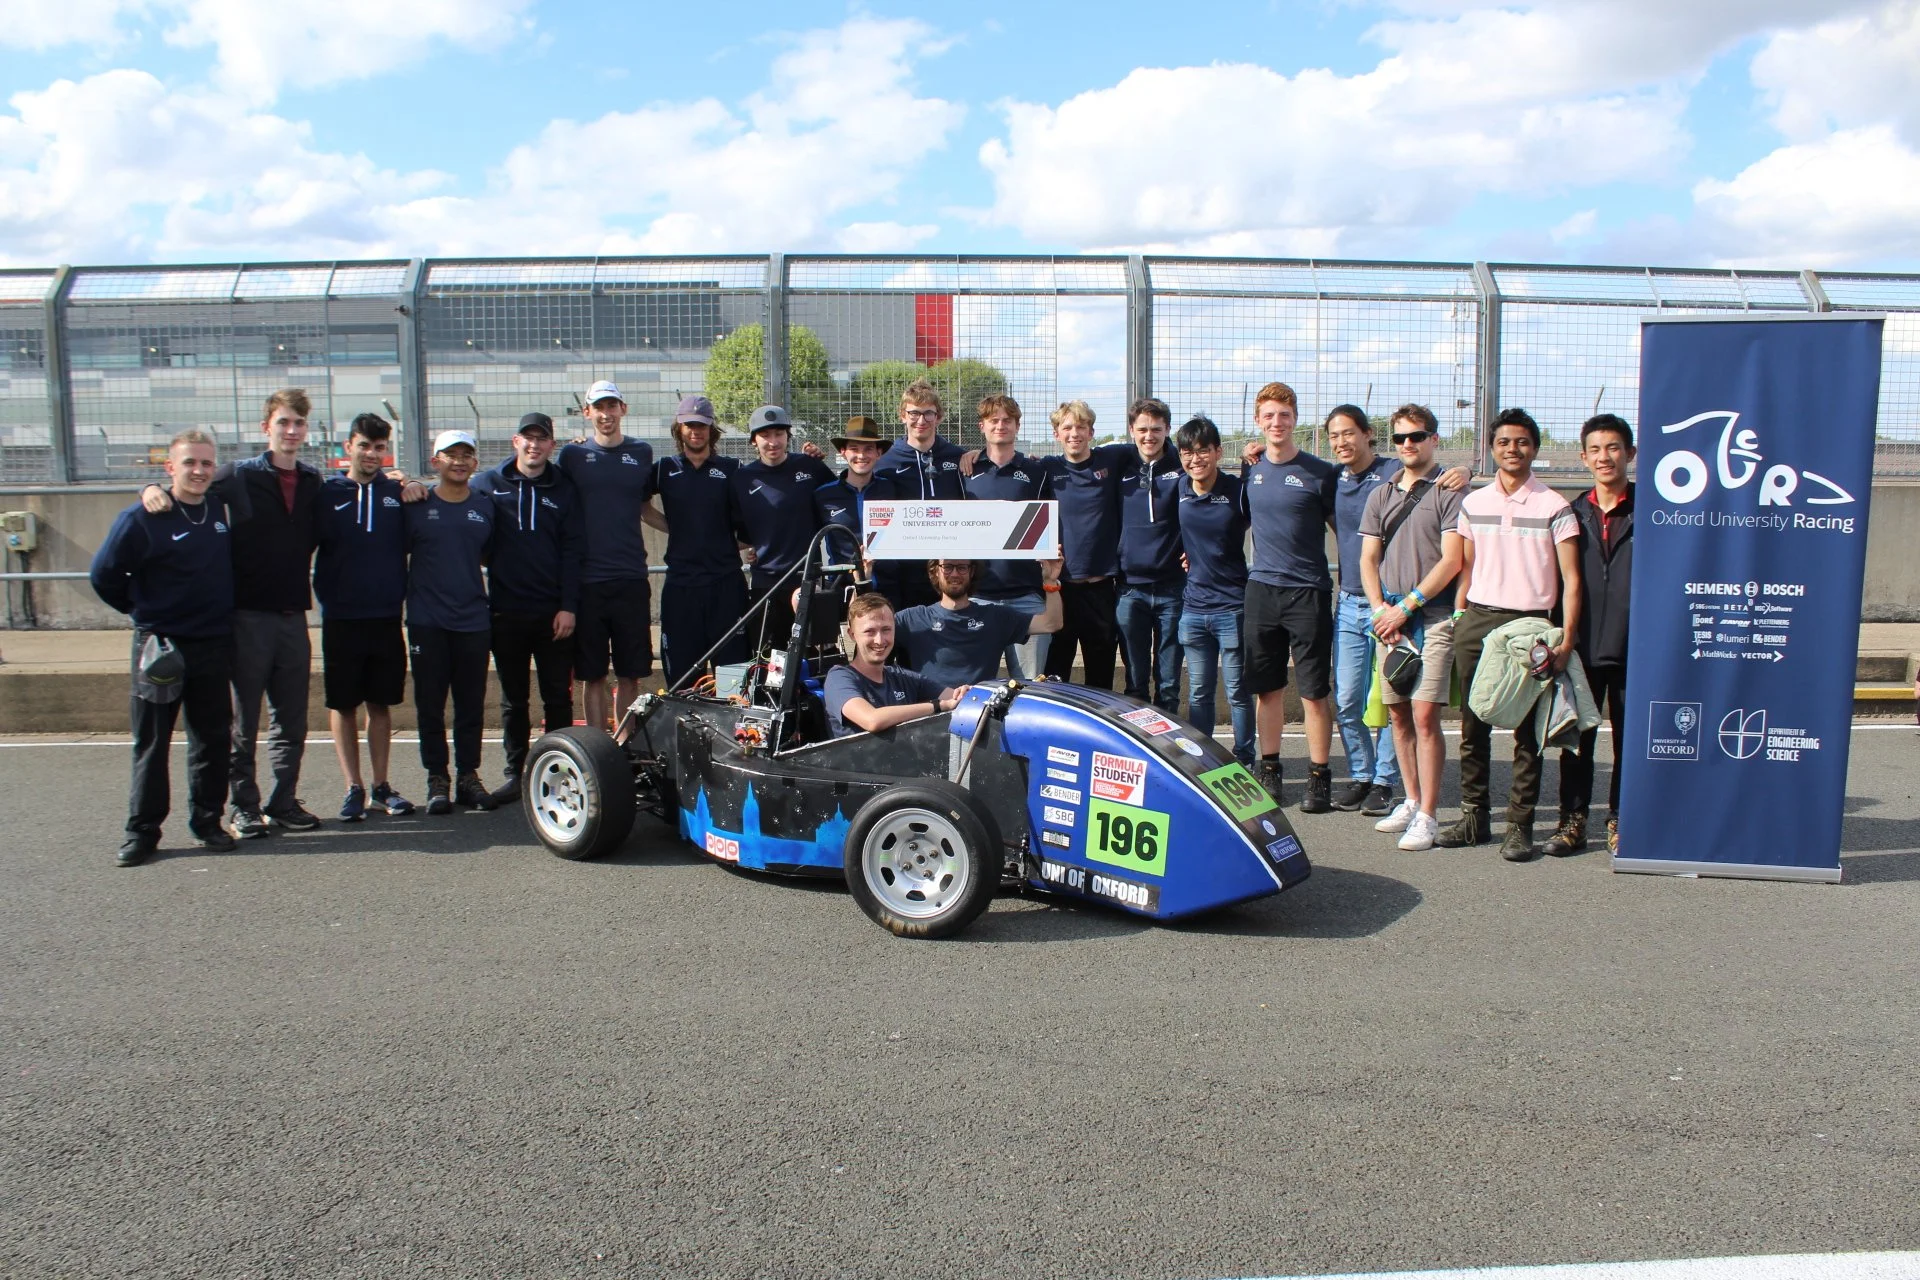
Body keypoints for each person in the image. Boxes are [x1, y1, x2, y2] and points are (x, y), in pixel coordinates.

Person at [141, 390, 326, 837]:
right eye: (283, 422)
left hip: (293, 616)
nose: (291, 431)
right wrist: (149, 489)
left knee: (292, 720)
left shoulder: (312, 480)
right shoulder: (238, 475)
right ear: (267, 427)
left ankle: (283, 801)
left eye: (298, 423)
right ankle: (244, 806)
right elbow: (187, 487)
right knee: (243, 721)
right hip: (247, 617)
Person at [1436, 409, 1582, 860]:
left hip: (1530, 626)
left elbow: (1572, 580)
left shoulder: (1554, 506)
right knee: (1473, 725)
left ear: (1534, 448)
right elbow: (1467, 565)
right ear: (1491, 449)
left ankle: (1520, 826)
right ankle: (1474, 818)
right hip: (1478, 621)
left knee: (1527, 732)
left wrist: (1566, 639)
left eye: (1521, 442)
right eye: (1503, 442)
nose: (1512, 449)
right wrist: (1461, 614)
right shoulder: (1474, 503)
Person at [91, 429, 237, 865]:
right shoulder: (142, 517)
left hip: (212, 642)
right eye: (189, 462)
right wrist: (141, 610)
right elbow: (104, 575)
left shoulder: (220, 508)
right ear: (170, 467)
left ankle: (208, 821)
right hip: (160, 645)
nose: (199, 471)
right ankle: (142, 831)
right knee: (152, 741)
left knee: (212, 738)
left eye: (206, 463)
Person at [1359, 405, 1466, 852]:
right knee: (1398, 714)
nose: (1408, 444)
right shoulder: (1381, 494)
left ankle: (1428, 816)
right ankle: (1411, 798)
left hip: (1433, 616)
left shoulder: (1449, 490)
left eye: (1417, 436)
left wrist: (1406, 607)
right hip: (1390, 621)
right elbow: (1368, 558)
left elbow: (1452, 559)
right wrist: (1380, 610)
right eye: (1400, 437)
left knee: (1424, 715)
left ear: (1433, 439)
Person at [473, 411, 584, 805]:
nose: (534, 445)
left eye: (542, 439)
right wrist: (412, 484)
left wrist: (568, 607)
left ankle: (560, 772)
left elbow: (573, 552)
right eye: (528, 438)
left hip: (553, 615)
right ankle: (515, 773)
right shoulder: (487, 484)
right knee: (513, 700)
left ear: (552, 445)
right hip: (506, 612)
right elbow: (452, 498)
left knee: (558, 699)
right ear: (515, 441)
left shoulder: (564, 488)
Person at [1239, 381, 1339, 812]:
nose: (1276, 422)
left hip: (1308, 592)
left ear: (1295, 419)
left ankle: (1319, 776)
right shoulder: (1251, 469)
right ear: (1258, 421)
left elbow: (1346, 530)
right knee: (1268, 690)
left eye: (1284, 415)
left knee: (1314, 692)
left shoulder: (1321, 473)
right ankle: (1270, 769)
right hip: (1262, 590)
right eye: (1269, 416)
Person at [313, 412, 415, 822]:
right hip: (341, 618)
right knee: (343, 705)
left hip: (386, 616)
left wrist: (411, 483)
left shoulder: (395, 493)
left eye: (379, 447)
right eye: (364, 446)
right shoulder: (327, 493)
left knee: (381, 704)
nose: (371, 454)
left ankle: (380, 786)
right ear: (348, 447)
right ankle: (353, 787)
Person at [1547, 413, 1635, 858]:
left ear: (1630, 454)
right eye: (1596, 449)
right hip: (1580, 646)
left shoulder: (1655, 510)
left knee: (1629, 743)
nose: (1605, 457)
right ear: (1583, 457)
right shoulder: (1571, 513)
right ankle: (1572, 821)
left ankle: (1622, 820)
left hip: (1633, 647)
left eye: (1613, 447)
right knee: (1577, 740)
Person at [405, 430, 499, 815]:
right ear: (435, 461)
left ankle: (467, 776)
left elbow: (490, 554)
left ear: (475, 463)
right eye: (450, 455)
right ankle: (437, 779)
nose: (459, 461)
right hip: (427, 621)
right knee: (430, 704)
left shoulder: (485, 506)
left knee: (470, 705)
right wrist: (401, 480)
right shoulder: (416, 503)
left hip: (473, 620)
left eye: (466, 455)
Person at [558, 380, 654, 733]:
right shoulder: (572, 456)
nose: (606, 413)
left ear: (622, 409)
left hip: (631, 578)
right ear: (587, 413)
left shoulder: (642, 453)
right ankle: (597, 746)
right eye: (598, 407)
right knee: (593, 674)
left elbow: (646, 508)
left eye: (611, 406)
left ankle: (623, 746)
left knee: (630, 674)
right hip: (588, 583)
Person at [646, 394, 749, 687]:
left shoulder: (732, 468)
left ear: (711, 429)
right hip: (681, 586)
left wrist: (733, 544)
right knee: (683, 678)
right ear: (679, 428)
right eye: (689, 425)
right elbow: (640, 506)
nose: (696, 431)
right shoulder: (664, 468)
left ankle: (730, 718)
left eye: (702, 425)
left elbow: (756, 518)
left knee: (732, 677)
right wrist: (678, 530)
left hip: (726, 584)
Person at [1173, 416, 1255, 766]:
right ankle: (1202, 761)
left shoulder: (1237, 491)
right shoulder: (1180, 488)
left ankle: (1245, 759)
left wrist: (1254, 458)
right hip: (1193, 609)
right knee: (1199, 693)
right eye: (1187, 453)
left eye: (1203, 451)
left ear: (1218, 452)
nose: (1196, 459)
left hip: (1232, 607)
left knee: (1237, 692)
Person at [1039, 399, 1132, 689]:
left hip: (1101, 588)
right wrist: (974, 455)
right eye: (1067, 427)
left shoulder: (1112, 459)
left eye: (1081, 427)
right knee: (1056, 676)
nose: (1074, 433)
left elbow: (1156, 447)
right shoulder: (1047, 468)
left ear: (1091, 432)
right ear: (1056, 434)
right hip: (1060, 589)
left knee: (1100, 677)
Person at [961, 394, 1056, 679]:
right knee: (975, 685)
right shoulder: (965, 470)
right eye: (994, 420)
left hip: (1026, 597)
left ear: (1017, 426)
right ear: (982, 426)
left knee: (1029, 686)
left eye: (1007, 420)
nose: (1000, 426)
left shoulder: (1037, 471)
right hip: (978, 598)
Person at [733, 405, 827, 653]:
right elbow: (741, 530)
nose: (773, 442)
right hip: (766, 583)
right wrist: (750, 547)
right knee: (768, 659)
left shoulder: (810, 467)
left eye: (779, 434)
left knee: (812, 657)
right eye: (765, 435)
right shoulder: (742, 479)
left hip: (807, 578)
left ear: (788, 436)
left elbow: (838, 500)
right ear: (754, 441)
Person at [893, 558, 1063, 687]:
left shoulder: (994, 616)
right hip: (931, 715)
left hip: (977, 712)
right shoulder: (913, 618)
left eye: (962, 567)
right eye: (948, 567)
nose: (955, 574)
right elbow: (874, 632)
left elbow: (1051, 624)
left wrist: (1050, 581)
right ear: (936, 571)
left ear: (972, 571)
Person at [823, 593, 972, 737]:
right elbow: (872, 720)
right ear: (852, 634)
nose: (879, 640)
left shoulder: (901, 677)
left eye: (886, 630)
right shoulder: (839, 678)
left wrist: (966, 694)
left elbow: (956, 698)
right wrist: (938, 705)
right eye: (870, 631)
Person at [1116, 397, 1184, 713]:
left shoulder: (1183, 464)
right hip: (1130, 589)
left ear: (1167, 429)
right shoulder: (1119, 463)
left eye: (1156, 429)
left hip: (1173, 589)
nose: (1149, 436)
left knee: (1168, 684)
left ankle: (1170, 742)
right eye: (1142, 429)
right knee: (1135, 683)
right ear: (1132, 430)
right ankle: (1140, 741)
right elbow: (1076, 457)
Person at [875, 379, 967, 610]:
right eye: (914, 413)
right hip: (903, 569)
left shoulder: (958, 457)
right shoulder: (886, 462)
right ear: (902, 416)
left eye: (928, 413)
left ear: (939, 417)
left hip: (949, 567)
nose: (921, 420)